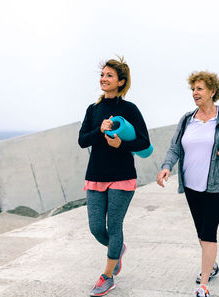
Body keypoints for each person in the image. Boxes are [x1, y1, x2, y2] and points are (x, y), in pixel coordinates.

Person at [156, 71, 219, 297]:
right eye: (193, 89)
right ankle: (213, 264)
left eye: (199, 89)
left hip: (217, 185)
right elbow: (174, 148)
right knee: (201, 233)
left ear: (212, 91)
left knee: (209, 233)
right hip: (191, 185)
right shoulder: (186, 119)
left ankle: (204, 284)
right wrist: (166, 167)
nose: (195, 93)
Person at [78, 56, 150, 296]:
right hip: (95, 174)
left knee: (114, 225)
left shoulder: (129, 109)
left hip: (121, 176)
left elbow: (143, 142)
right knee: (97, 228)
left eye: (109, 75)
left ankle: (107, 276)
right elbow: (82, 141)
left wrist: (120, 144)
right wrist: (99, 131)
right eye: (102, 75)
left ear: (121, 82)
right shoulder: (93, 109)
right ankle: (117, 250)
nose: (104, 79)